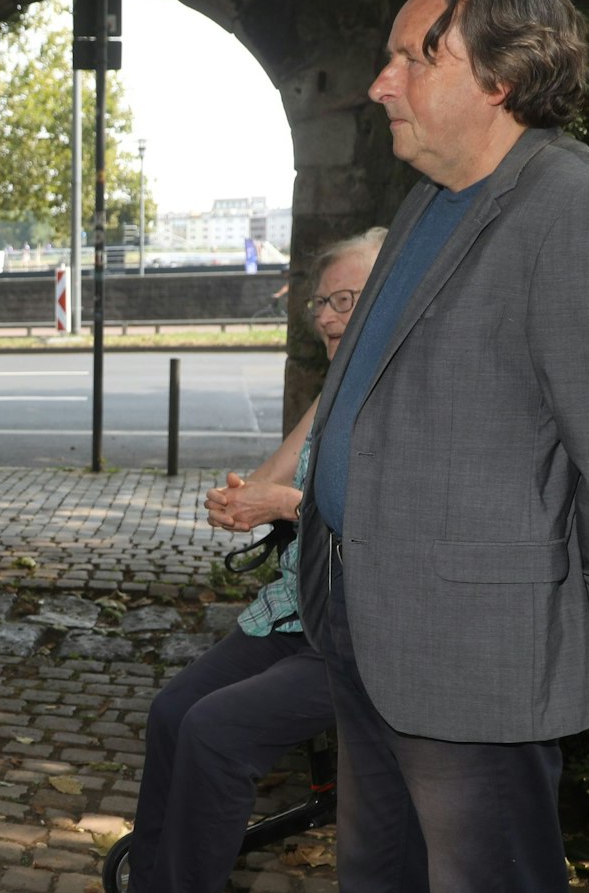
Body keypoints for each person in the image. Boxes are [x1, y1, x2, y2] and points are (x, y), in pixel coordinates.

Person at [296, 0, 589, 890]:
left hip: (483, 659)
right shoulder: (430, 193)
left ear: (502, 78)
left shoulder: (578, 213)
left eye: (411, 58)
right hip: (365, 620)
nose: (378, 82)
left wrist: (584, 645)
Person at [126, 227, 383, 891]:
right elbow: (272, 475)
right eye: (321, 303)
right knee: (172, 712)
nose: (325, 315)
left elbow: (386, 523)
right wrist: (240, 498)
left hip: (367, 634)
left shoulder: (407, 398)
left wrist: (287, 504)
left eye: (345, 300)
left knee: (215, 732)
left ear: (394, 298)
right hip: (299, 609)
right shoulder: (336, 393)